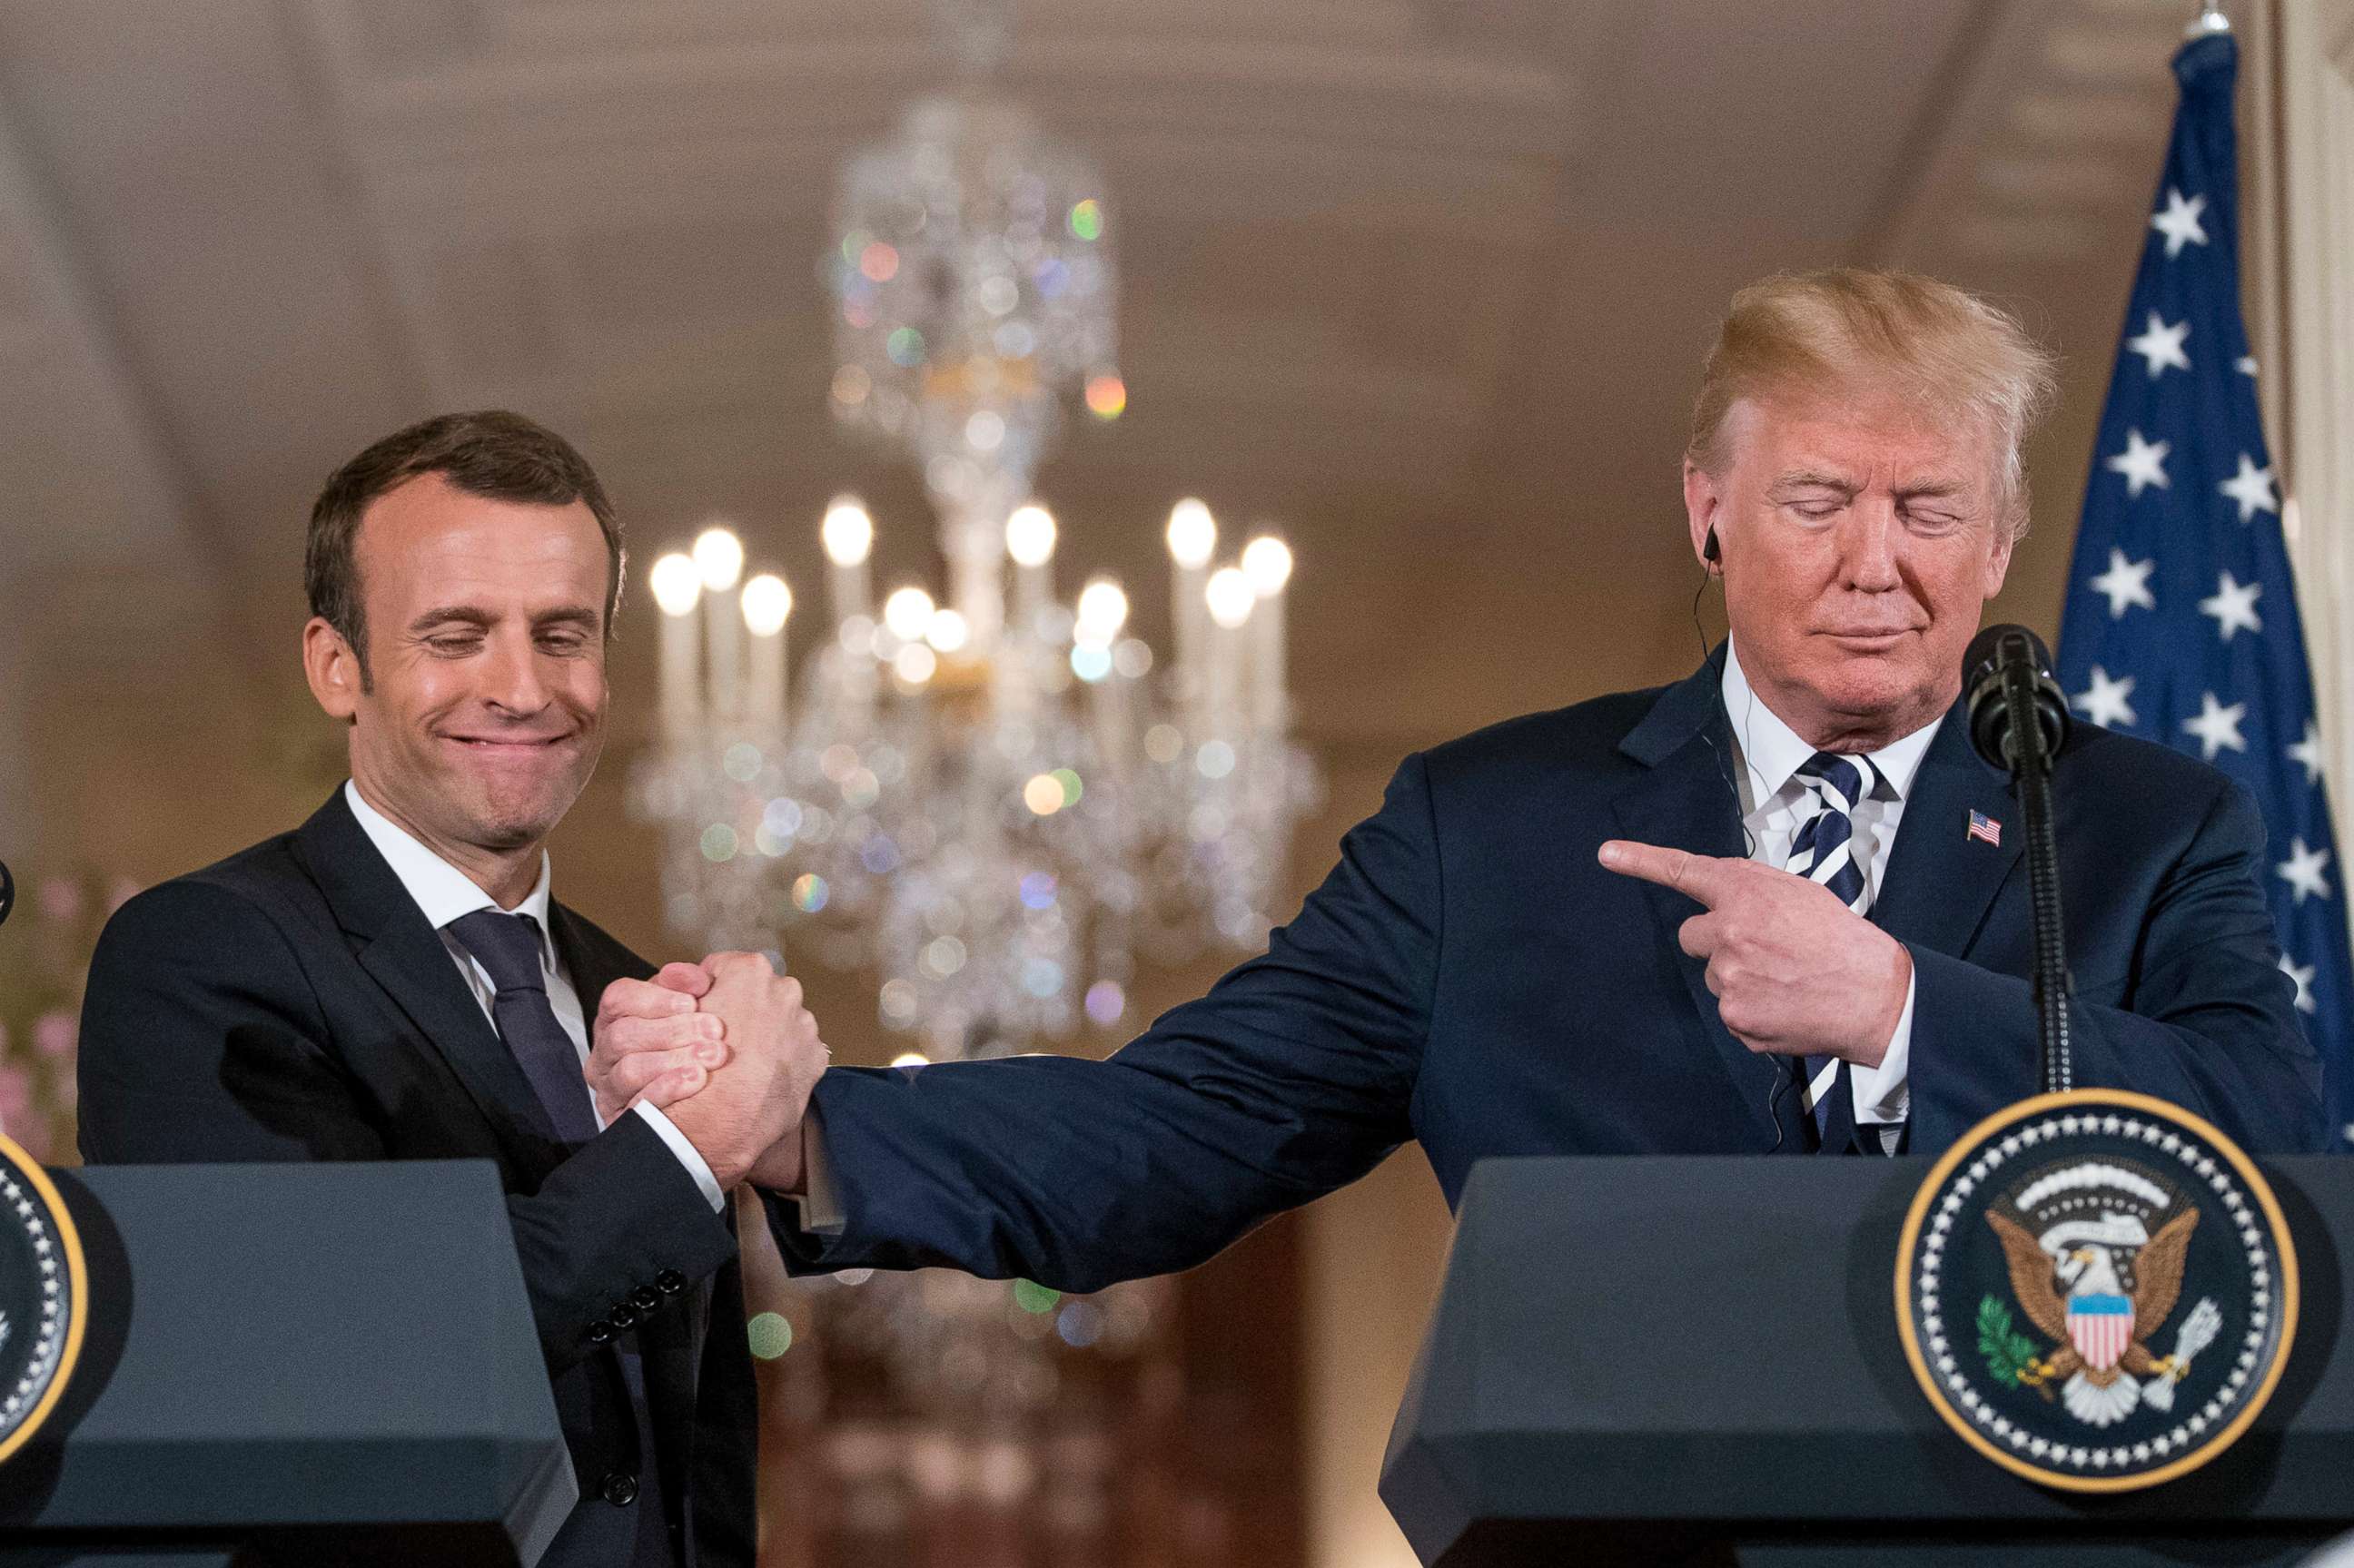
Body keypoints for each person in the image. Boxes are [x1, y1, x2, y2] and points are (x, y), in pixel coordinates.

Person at [602, 269, 2325, 1298]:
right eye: (1818, 500)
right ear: (1706, 512)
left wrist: (1892, 1007)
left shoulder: (2137, 826)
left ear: (2004, 537)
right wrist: (811, 1129)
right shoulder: (1491, 825)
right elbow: (1184, 1123)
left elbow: (2267, 1145)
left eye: (1930, 508)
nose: (1878, 561)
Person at [77, 411, 820, 1568]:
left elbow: (690, 1453)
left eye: (563, 633)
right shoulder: (199, 952)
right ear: (338, 666)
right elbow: (332, 1351)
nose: (524, 687)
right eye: (458, 633)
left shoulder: (633, 985)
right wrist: (684, 1155)